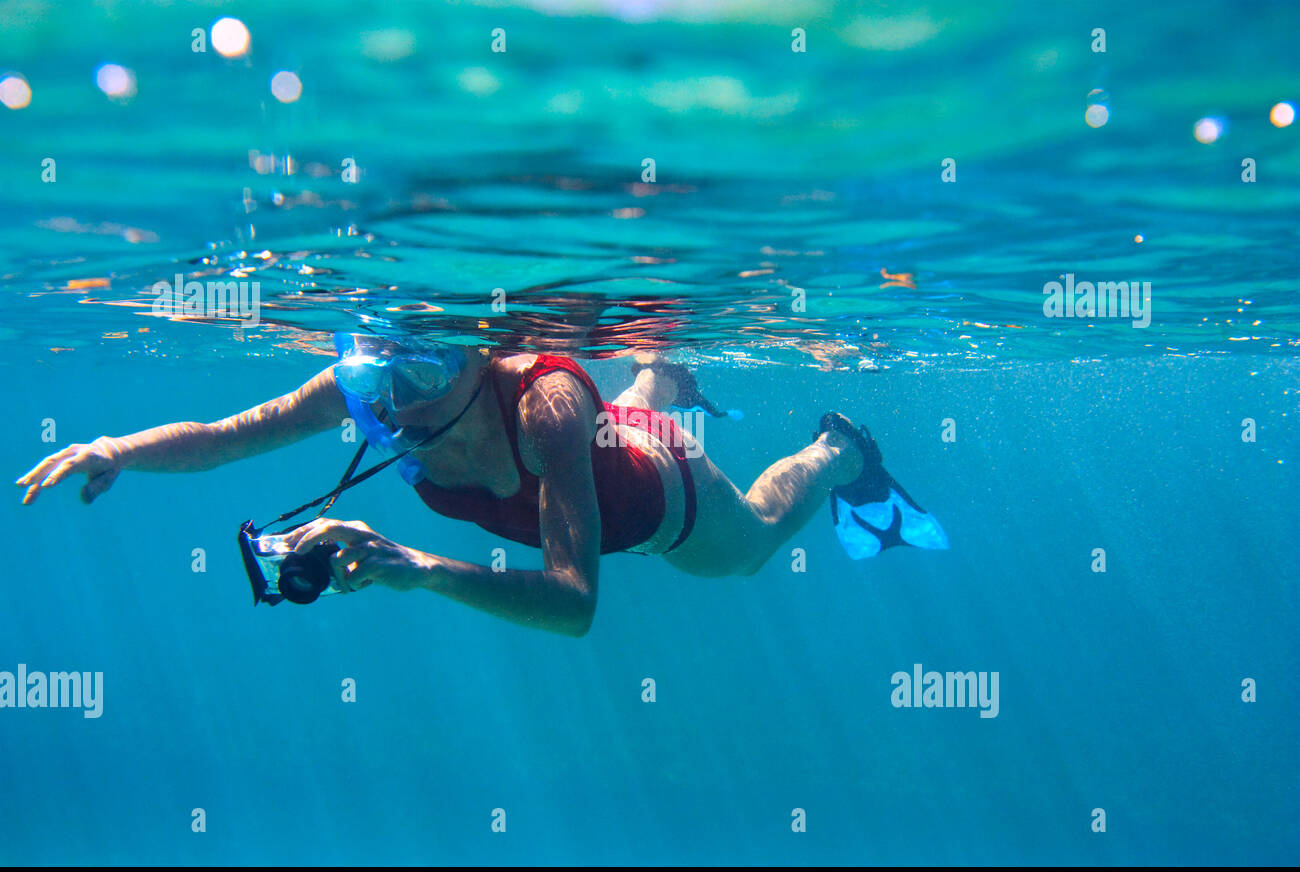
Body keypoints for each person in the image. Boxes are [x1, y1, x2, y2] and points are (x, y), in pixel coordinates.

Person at [15, 337, 946, 635]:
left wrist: (418, 566)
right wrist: (121, 447)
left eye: (423, 374)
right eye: (385, 376)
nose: (400, 400)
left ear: (476, 357)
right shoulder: (369, 389)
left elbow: (577, 604)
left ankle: (841, 452)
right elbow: (225, 437)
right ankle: (660, 373)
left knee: (747, 551)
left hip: (666, 495)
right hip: (603, 441)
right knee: (615, 414)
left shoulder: (538, 402)